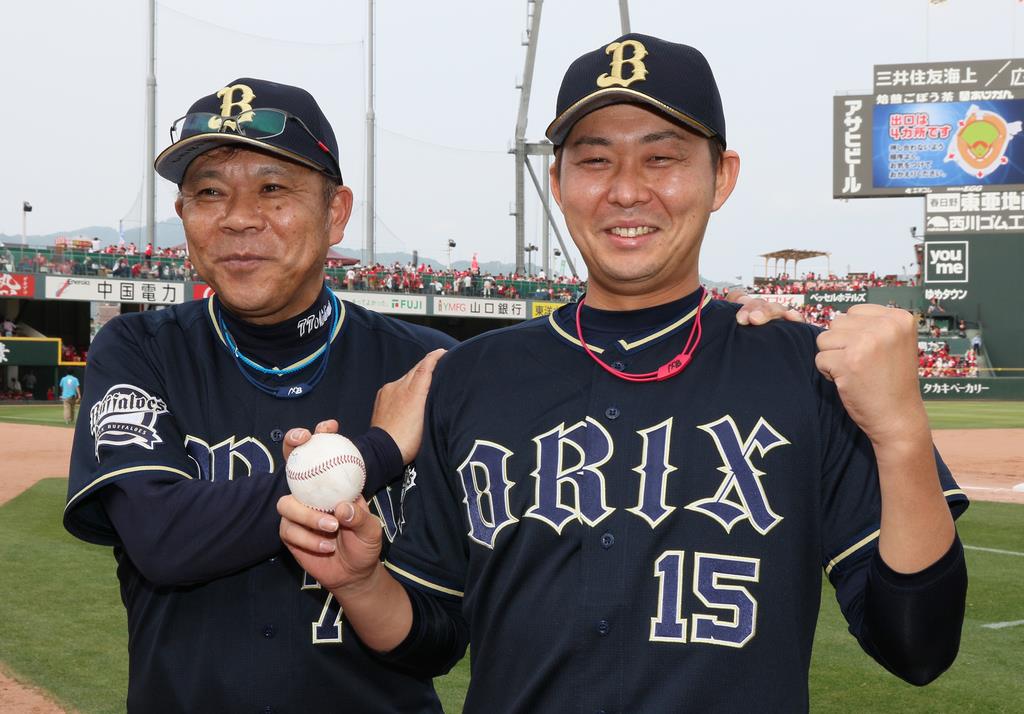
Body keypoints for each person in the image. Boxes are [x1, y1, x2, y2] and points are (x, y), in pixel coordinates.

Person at [279, 35, 969, 713]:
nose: (627, 191)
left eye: (662, 157)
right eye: (595, 160)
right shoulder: (470, 378)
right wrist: (365, 585)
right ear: (557, 182)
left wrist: (903, 435)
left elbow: (917, 647)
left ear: (721, 176)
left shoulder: (804, 372)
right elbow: (432, 641)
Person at [62, 77, 457, 713]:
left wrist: (367, 585)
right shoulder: (137, 350)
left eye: (273, 189)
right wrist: (377, 452)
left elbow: (441, 640)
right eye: (209, 192)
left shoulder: (423, 369)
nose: (239, 218)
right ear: (185, 216)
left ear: (335, 213)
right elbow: (161, 539)